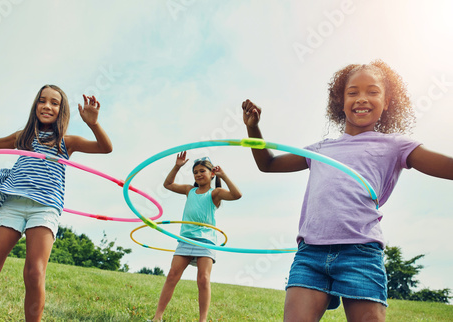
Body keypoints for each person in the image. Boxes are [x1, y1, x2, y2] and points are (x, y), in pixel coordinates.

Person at [242, 59, 453, 321]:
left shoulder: (395, 146)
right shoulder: (320, 150)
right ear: (340, 102)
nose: (362, 99)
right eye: (353, 92)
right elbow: (268, 164)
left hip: (360, 253)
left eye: (373, 92)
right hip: (311, 253)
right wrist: (253, 127)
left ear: (387, 102)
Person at [0, 84, 113, 322]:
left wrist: (93, 123)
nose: (47, 106)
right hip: (14, 203)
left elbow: (105, 148)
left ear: (62, 110)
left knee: (35, 272)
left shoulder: (67, 142)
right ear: (35, 105)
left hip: (45, 207)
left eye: (54, 103)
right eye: (42, 100)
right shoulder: (24, 137)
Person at [152, 152, 242, 322]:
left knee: (203, 279)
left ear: (211, 174)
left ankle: (202, 320)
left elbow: (237, 195)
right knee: (172, 275)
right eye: (195, 172)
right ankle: (157, 317)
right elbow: (168, 184)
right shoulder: (189, 190)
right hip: (186, 239)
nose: (199, 174)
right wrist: (177, 166)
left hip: (206, 241)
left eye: (202, 171)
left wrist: (224, 175)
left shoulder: (216, 193)